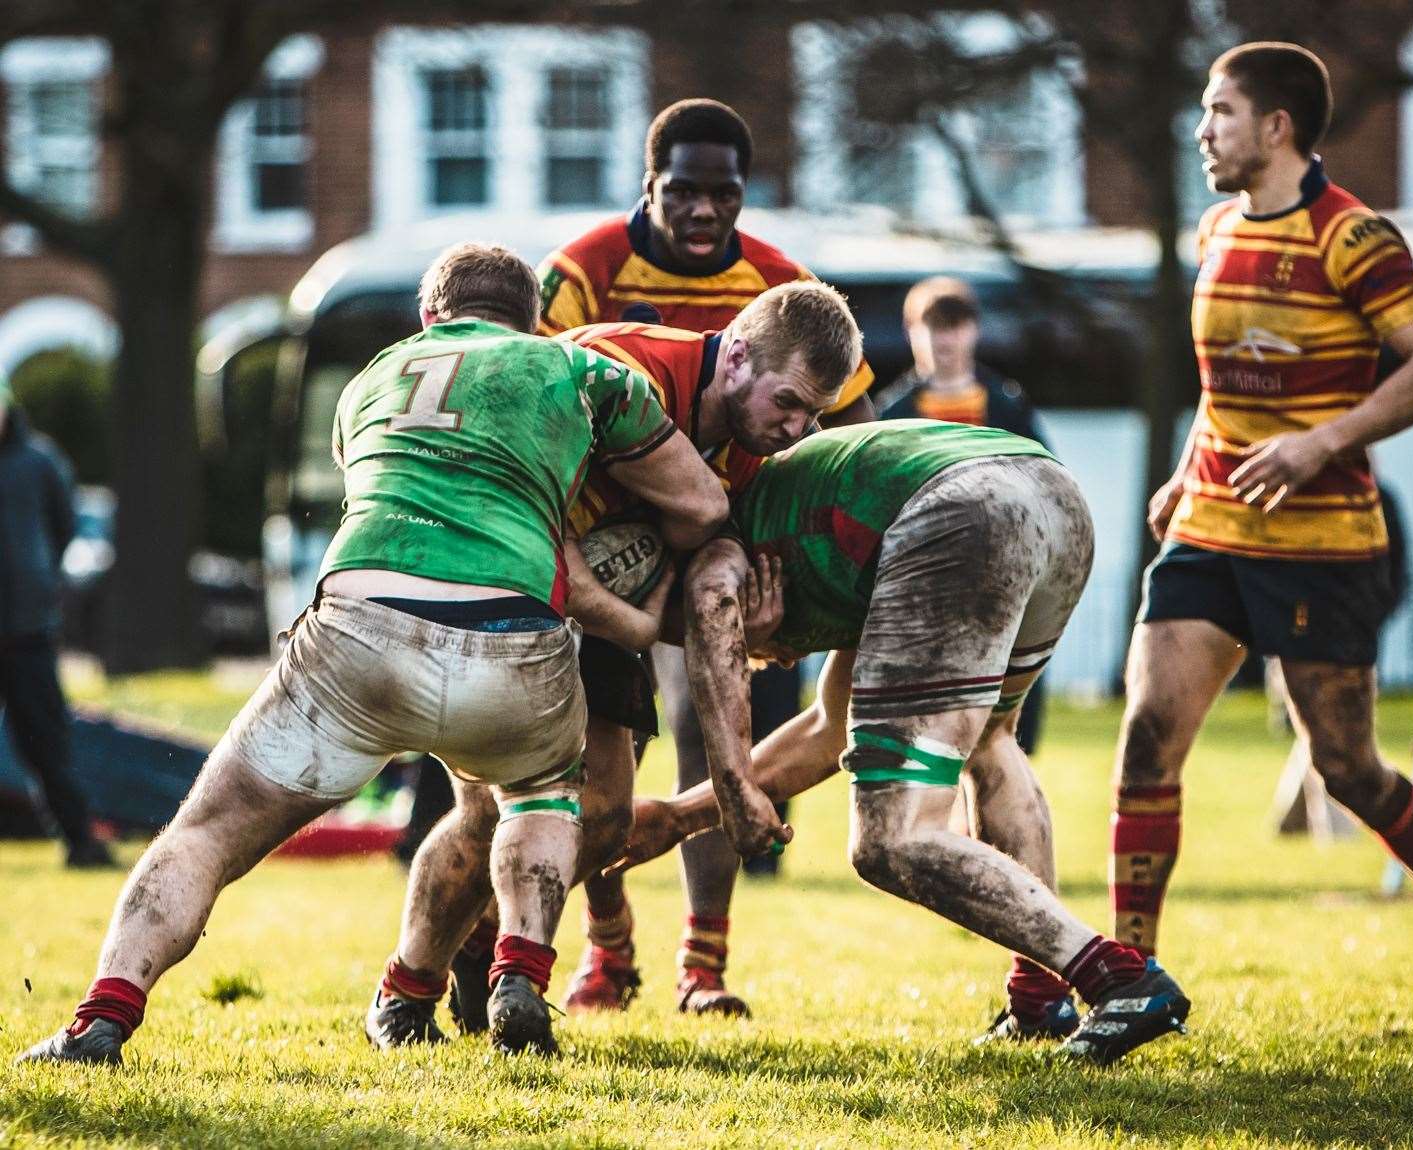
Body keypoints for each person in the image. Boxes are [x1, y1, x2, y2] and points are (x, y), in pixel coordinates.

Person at [17, 242, 728, 1066]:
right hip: (514, 632)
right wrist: (632, 582)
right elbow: (700, 502)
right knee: (538, 795)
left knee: (205, 832)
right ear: (533, 322)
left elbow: (379, 484)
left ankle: (101, 1017)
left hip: (357, 626)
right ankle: (520, 971)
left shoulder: (373, 377)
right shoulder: (581, 370)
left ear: (432, 316)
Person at [1109, 42, 1413, 1000]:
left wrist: (1317, 442)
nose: (1202, 131)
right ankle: (1126, 974)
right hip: (1210, 528)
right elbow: (1222, 384)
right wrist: (1181, 473)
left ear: (1276, 127)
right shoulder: (1214, 232)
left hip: (1321, 548)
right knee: (1145, 738)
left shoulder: (1352, 237)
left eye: (1220, 113)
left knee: (1345, 767)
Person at [368, 282, 863, 1046]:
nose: (796, 427)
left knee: (599, 824)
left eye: (814, 416)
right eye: (790, 402)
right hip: (506, 589)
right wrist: (609, 598)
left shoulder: (754, 457)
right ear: (735, 357)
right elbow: (508, 484)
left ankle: (479, 941)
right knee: (484, 809)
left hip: (599, 617)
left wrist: (749, 632)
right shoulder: (614, 364)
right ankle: (406, 993)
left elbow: (684, 588)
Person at [616, 419, 1191, 1064]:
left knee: (891, 837)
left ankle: (1120, 978)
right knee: (989, 740)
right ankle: (1038, 1001)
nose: (766, 661)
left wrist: (735, 664)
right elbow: (828, 728)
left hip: (959, 516)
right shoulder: (822, 532)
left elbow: (728, 641)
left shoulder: (748, 562)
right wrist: (675, 817)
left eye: (754, 649)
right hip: (1050, 497)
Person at [536, 97, 875, 1018]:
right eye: (681, 190)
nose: (700, 211)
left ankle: (704, 964)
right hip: (600, 536)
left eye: (720, 193)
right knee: (594, 751)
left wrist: (812, 575)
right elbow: (529, 393)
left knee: (707, 722)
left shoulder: (783, 281)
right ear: (651, 185)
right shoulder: (584, 271)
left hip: (719, 543)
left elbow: (852, 431)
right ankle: (607, 953)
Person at [878, 276, 1054, 753]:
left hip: (998, 579)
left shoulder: (1007, 408)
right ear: (912, 332)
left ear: (973, 332)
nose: (945, 340)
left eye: (955, 327)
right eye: (933, 328)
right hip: (921, 583)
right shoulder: (892, 415)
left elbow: (1043, 485)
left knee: (999, 733)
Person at [0, 374, 112, 868]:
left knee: (46, 742)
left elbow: (64, 525)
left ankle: (81, 843)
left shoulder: (39, 462)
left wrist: (38, 576)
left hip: (26, 628)